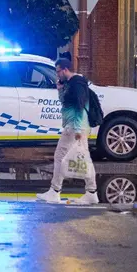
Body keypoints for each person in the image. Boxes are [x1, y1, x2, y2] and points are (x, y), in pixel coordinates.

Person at [37, 58, 98, 204]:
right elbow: (66, 102)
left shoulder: (77, 84)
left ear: (65, 69)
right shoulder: (72, 84)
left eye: (58, 71)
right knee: (84, 158)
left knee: (59, 156)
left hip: (75, 126)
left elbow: (79, 106)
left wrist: (77, 129)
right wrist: (60, 90)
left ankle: (55, 191)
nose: (57, 74)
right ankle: (91, 192)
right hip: (78, 126)